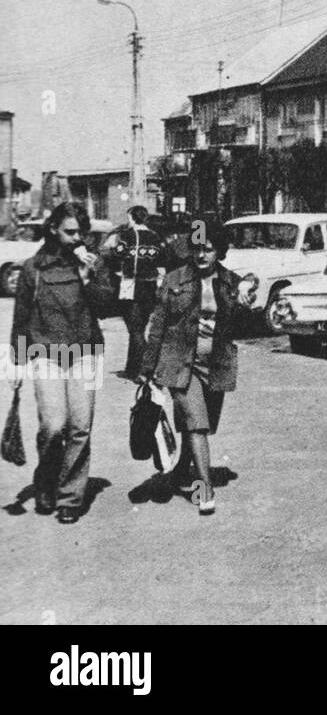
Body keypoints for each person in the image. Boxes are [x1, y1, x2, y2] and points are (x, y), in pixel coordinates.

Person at [139, 217, 256, 516]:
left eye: (208, 249)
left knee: (204, 426)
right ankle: (205, 489)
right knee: (196, 423)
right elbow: (158, 327)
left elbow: (243, 316)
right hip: (180, 365)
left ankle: (180, 470)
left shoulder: (230, 282)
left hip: (214, 365)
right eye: (197, 249)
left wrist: (247, 293)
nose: (201, 255)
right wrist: (147, 368)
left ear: (220, 250)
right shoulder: (174, 280)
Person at [7, 202, 116, 523]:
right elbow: (21, 319)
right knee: (53, 426)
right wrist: (14, 364)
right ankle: (46, 482)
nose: (77, 238)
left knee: (80, 427)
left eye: (81, 232)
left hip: (84, 353)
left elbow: (107, 305)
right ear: (53, 229)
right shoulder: (33, 268)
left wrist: (88, 277)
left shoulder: (93, 264)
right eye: (70, 232)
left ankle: (71, 497)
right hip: (46, 355)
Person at [102, 205, 165, 379]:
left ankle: (143, 369)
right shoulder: (155, 236)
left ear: (132, 218)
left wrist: (111, 248)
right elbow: (160, 256)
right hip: (150, 286)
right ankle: (132, 368)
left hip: (132, 285)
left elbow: (117, 254)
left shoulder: (129, 235)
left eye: (128, 217)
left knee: (135, 329)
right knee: (140, 327)